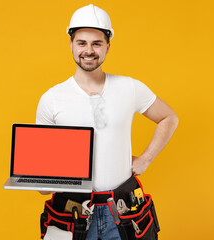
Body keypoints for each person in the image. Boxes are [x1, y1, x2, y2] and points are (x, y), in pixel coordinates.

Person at [36, 4, 178, 240]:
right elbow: (43, 183)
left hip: (121, 210)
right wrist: (45, 179)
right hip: (72, 213)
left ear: (108, 46)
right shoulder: (51, 99)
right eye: (81, 42)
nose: (88, 50)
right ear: (71, 44)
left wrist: (146, 159)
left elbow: (168, 117)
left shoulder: (129, 87)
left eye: (96, 43)